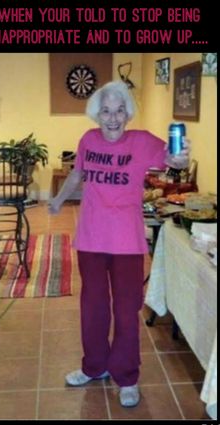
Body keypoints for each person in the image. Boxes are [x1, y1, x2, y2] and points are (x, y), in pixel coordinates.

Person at [48, 81, 189, 407]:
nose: (113, 118)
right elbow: (76, 176)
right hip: (91, 239)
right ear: (97, 114)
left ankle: (127, 376)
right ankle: (94, 366)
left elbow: (172, 160)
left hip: (127, 242)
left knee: (127, 312)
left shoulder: (141, 141)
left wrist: (180, 158)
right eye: (106, 111)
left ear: (128, 112)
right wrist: (57, 200)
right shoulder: (87, 140)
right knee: (93, 308)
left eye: (119, 110)